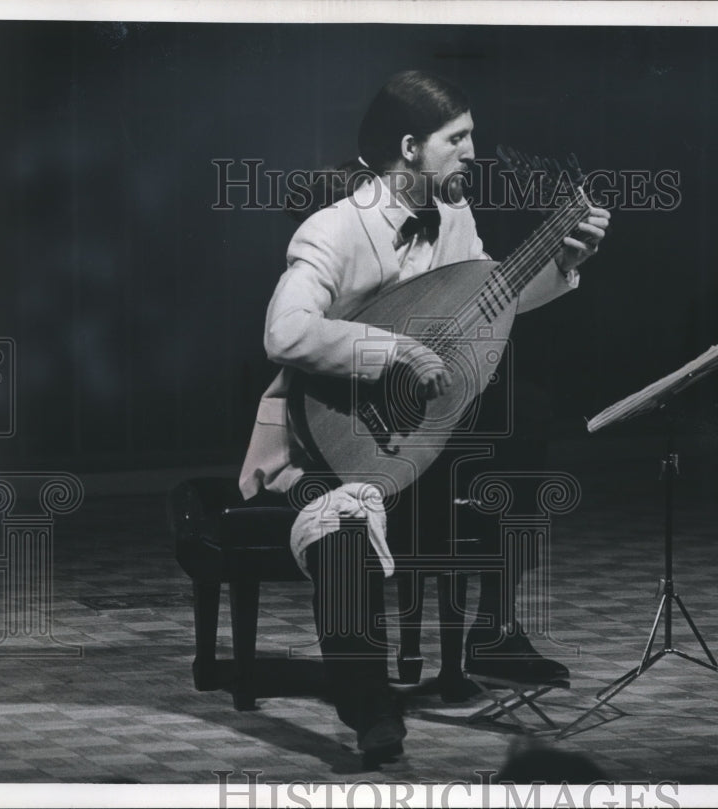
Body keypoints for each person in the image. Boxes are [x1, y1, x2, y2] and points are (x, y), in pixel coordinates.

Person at [239, 69, 609, 763]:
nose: (473, 152)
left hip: (421, 446)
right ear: (411, 147)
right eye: (458, 138)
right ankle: (371, 707)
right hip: (324, 443)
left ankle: (495, 629)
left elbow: (481, 306)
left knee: (524, 412)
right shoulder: (334, 229)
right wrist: (394, 349)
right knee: (342, 533)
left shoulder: (456, 216)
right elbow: (284, 333)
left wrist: (564, 261)